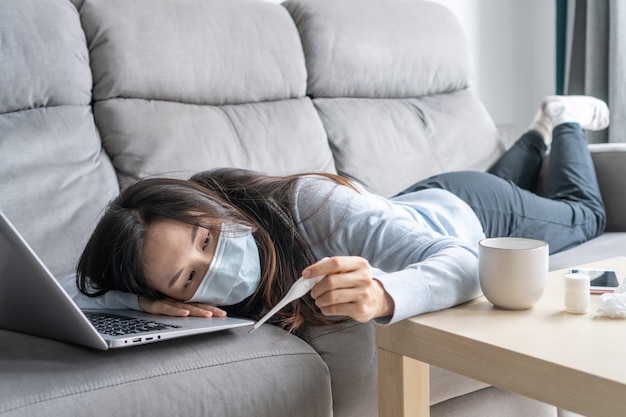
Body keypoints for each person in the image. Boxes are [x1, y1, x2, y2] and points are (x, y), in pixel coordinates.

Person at [63, 95, 609, 333]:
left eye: (205, 238)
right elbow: (70, 292)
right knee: (504, 178)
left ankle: (563, 123)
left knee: (584, 216)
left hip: (466, 214)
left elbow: (465, 262)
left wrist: (385, 294)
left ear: (210, 206)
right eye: (187, 278)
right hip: (414, 203)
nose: (211, 265)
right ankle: (535, 134)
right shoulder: (179, 300)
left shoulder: (311, 203)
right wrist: (141, 301)